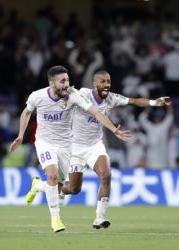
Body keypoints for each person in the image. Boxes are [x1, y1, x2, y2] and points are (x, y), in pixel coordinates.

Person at [28, 70, 170, 229]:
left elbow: (134, 101)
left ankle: (100, 218)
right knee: (73, 189)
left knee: (106, 174)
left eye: (108, 82)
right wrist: (65, 88)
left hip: (94, 146)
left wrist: (153, 102)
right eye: (102, 81)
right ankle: (39, 185)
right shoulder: (82, 94)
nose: (106, 85)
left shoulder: (112, 98)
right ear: (94, 83)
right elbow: (64, 93)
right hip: (74, 148)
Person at [9, 66, 130, 233]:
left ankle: (37, 185)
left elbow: (96, 112)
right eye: (63, 81)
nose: (67, 84)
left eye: (68, 80)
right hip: (44, 142)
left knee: (62, 187)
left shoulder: (74, 96)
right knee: (52, 176)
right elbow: (26, 113)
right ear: (52, 83)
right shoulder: (37, 96)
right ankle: (56, 220)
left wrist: (113, 129)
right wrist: (21, 135)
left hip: (66, 145)